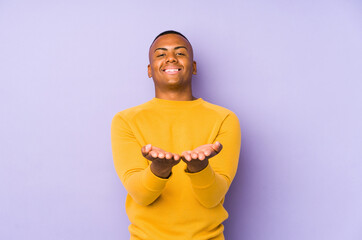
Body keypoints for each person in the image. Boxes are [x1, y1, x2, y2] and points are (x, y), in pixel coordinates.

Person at [111, 30, 241, 240]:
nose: (170, 58)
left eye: (180, 53)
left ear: (194, 67)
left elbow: (213, 197)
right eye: (161, 54)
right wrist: (158, 170)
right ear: (149, 70)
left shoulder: (225, 118)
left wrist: (199, 168)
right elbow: (141, 195)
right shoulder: (125, 120)